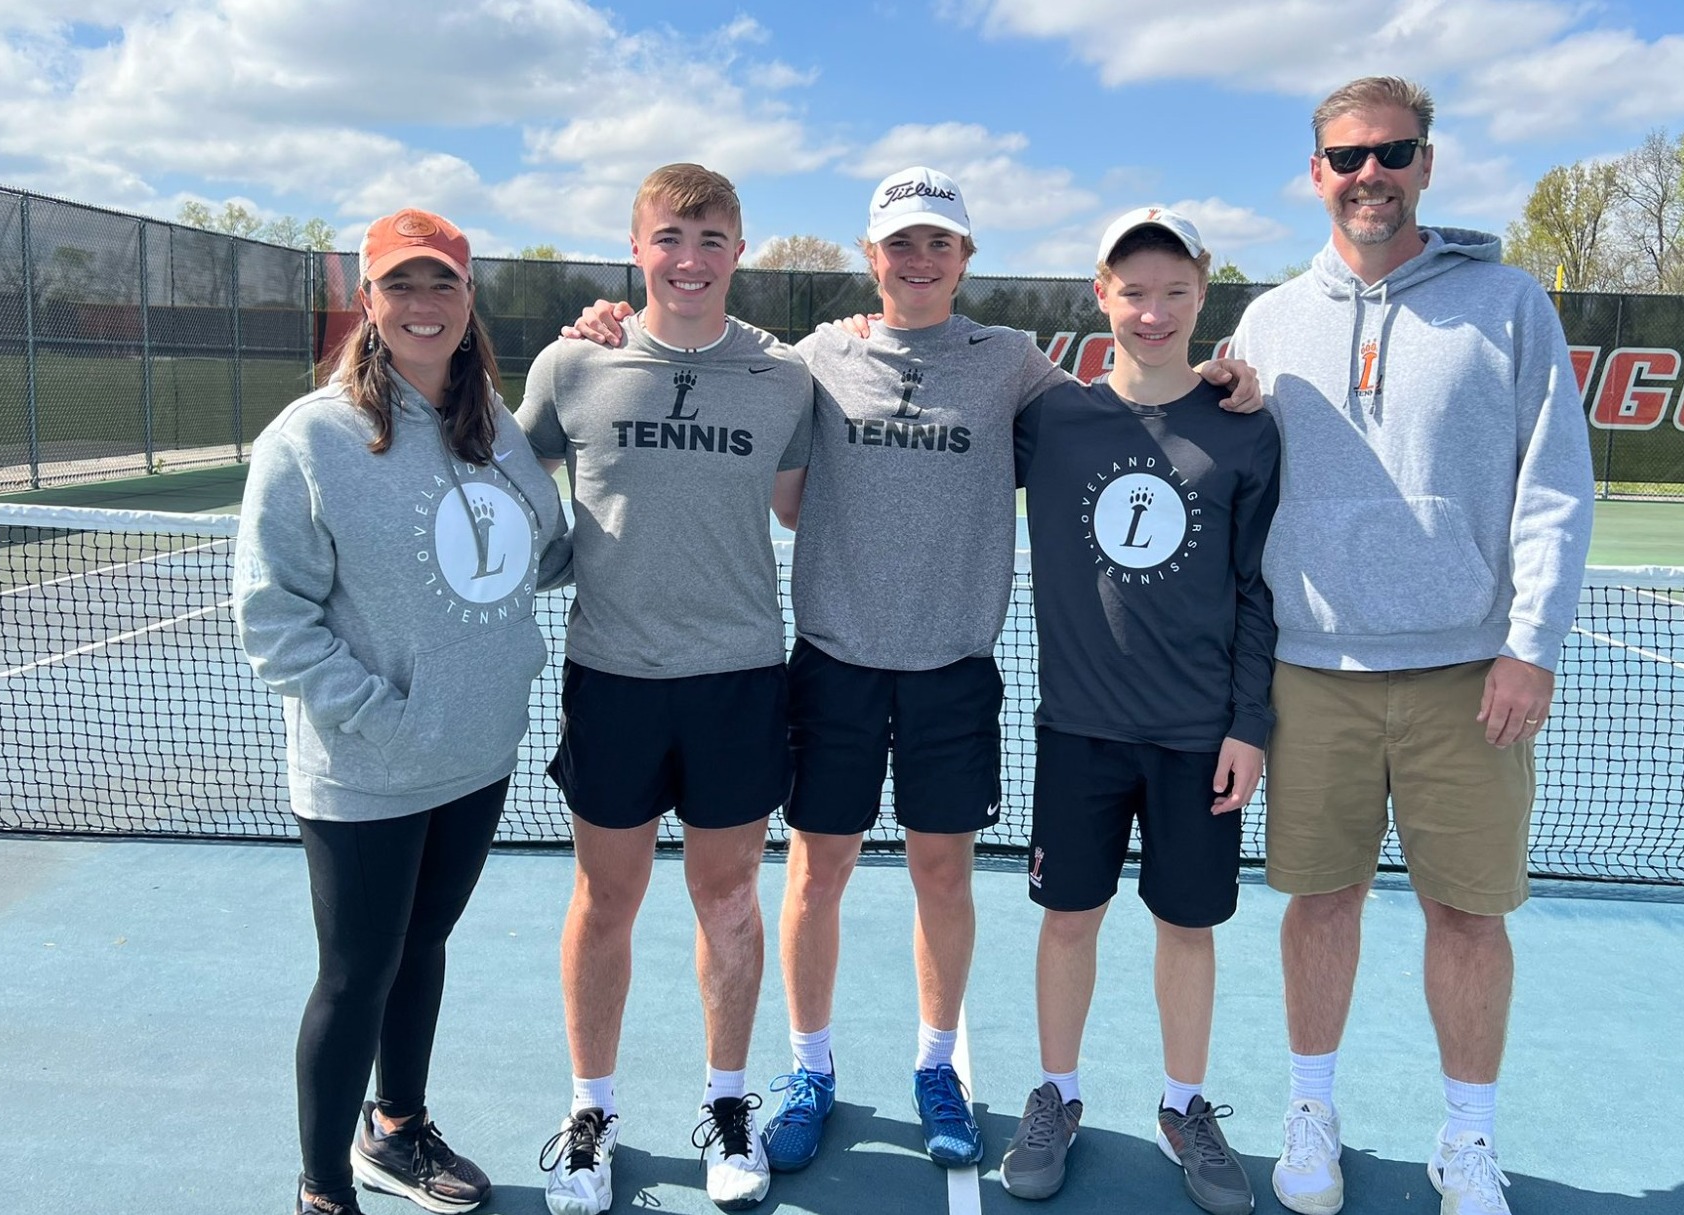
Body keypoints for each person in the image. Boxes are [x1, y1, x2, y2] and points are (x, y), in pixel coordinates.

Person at [560, 169, 1262, 1180]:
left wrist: (1222, 380)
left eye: (939, 243)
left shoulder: (1013, 363)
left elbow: (1127, 411)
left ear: (965, 260)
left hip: (953, 673)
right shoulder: (812, 359)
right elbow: (733, 403)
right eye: (900, 244)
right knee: (819, 873)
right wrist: (608, 323)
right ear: (871, 256)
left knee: (942, 874)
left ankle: (938, 1065)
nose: (919, 260)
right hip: (832, 665)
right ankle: (810, 1070)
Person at [1227, 77, 1595, 1215]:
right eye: (1346, 158)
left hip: (1466, 676)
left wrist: (1529, 644)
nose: (1368, 176)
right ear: (1315, 174)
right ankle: (1308, 1112)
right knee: (1320, 903)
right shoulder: (1268, 319)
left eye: (1392, 153)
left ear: (1426, 163)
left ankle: (1467, 1140)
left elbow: (1554, 488)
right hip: (1313, 676)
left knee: (1466, 914)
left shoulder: (1509, 303)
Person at [234, 208, 573, 1215]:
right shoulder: (311, 439)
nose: (423, 305)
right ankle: (324, 1186)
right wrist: (381, 716)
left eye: (443, 286)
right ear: (369, 305)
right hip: (367, 766)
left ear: (470, 306)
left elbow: (542, 555)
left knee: (421, 948)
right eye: (401, 286)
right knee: (354, 976)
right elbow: (272, 619)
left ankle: (396, 1130)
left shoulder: (499, 430)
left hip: (475, 755)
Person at [518, 163, 814, 1215]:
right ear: (635, 248)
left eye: (711, 240)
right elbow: (506, 488)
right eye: (670, 238)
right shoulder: (570, 366)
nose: (689, 261)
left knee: (728, 896)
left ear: (739, 252)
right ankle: (590, 1110)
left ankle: (728, 1107)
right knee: (607, 899)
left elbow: (794, 510)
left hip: (738, 680)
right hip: (614, 679)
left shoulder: (784, 378)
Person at [994, 208, 1279, 1215]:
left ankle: (1184, 1106)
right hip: (1078, 729)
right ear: (1099, 294)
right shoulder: (1051, 419)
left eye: (1171, 290)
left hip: (1199, 736)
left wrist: (1250, 724)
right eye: (1131, 290)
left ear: (1202, 291)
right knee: (1068, 919)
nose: (1151, 310)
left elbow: (1255, 589)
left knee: (1185, 927)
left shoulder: (1246, 425)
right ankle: (1057, 1094)